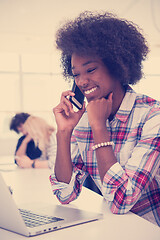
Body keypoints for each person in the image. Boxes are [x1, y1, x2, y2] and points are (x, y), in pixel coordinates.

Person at [50, 11, 160, 226]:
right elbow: (65, 195)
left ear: (119, 66)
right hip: (110, 227)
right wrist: (64, 132)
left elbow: (122, 200)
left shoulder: (152, 116)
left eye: (90, 69)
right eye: (76, 74)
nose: (82, 81)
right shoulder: (83, 119)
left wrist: (99, 127)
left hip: (149, 229)